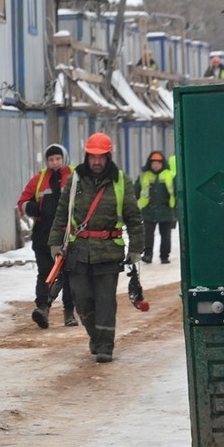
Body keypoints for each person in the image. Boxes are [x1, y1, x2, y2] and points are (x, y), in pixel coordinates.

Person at [48, 132, 143, 364]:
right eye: (93, 157)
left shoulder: (121, 181)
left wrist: (136, 248)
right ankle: (95, 335)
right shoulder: (75, 180)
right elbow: (62, 213)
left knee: (105, 300)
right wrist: (54, 242)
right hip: (78, 250)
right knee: (81, 299)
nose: (97, 162)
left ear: (108, 156)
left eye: (101, 157)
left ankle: (105, 346)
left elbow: (133, 216)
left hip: (109, 251)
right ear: (87, 156)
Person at [16, 143, 76, 329]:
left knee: (68, 275)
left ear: (64, 158)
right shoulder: (40, 179)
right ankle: (42, 309)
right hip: (44, 235)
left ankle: (69, 312)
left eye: (58, 159)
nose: (55, 162)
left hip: (69, 235)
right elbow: (23, 202)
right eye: (51, 160)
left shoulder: (76, 176)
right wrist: (38, 208)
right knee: (45, 273)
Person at [135, 150, 176, 264]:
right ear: (150, 163)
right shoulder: (144, 176)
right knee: (148, 235)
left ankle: (164, 256)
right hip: (148, 210)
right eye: (153, 163)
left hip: (166, 210)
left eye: (158, 163)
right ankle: (148, 254)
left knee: (166, 235)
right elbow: (136, 191)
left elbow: (176, 192)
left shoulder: (170, 176)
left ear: (163, 163)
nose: (156, 165)